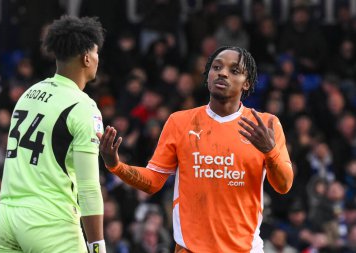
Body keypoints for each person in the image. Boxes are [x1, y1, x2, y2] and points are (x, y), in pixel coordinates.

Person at [99, 45, 294, 252]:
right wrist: (116, 166)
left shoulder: (266, 124)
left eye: (234, 70)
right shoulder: (179, 122)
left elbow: (284, 185)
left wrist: (269, 150)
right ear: (208, 75)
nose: (223, 73)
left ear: (247, 83)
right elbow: (152, 182)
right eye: (216, 67)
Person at [0, 16, 106, 253]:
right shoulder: (83, 106)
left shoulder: (29, 93)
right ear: (86, 58)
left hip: (5, 218)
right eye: (96, 53)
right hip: (48, 223)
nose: (97, 59)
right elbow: (89, 188)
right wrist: (97, 247)